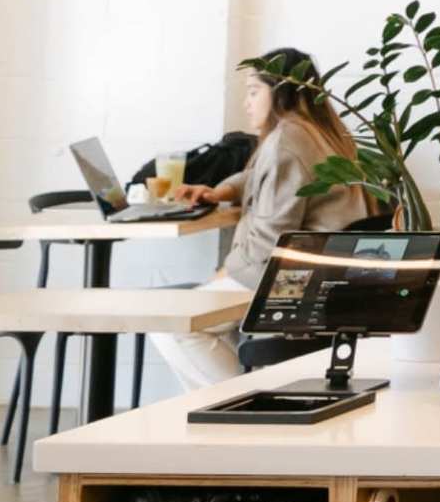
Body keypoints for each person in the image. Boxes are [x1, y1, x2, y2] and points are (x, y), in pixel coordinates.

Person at [161, 49, 379, 386]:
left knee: (172, 324)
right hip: (328, 272)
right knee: (202, 323)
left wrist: (227, 270)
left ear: (280, 91)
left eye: (253, 91)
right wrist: (221, 191)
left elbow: (269, 242)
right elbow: (266, 177)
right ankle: (249, 399)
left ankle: (240, 403)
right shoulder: (322, 133)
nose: (246, 103)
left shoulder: (288, 140)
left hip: (295, 279)